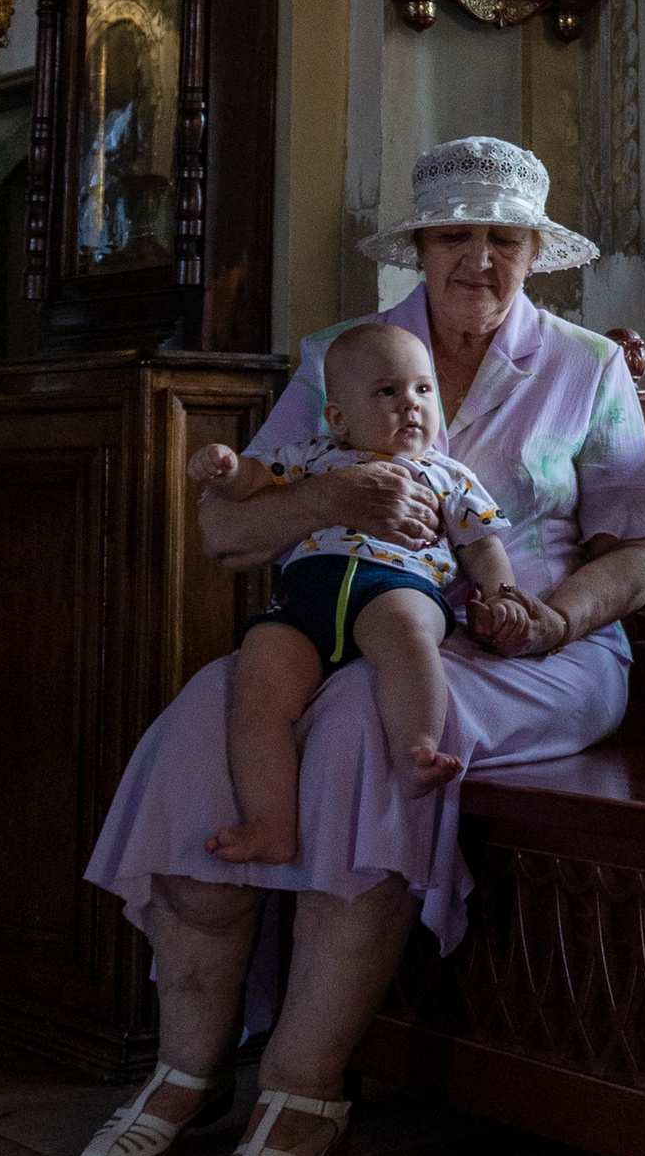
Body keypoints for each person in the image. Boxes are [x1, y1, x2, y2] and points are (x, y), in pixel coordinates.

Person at [80, 137, 645, 1156]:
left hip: (537, 655)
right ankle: (184, 1070)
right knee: (198, 721)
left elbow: (640, 546)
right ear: (416, 245)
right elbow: (228, 529)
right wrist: (333, 503)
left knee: (364, 726)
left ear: (537, 251)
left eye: (504, 238)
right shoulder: (342, 355)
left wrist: (552, 618)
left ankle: (302, 1085)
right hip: (341, 625)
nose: (478, 259)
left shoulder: (587, 367)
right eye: (455, 234)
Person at [187, 321, 515, 849]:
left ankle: (418, 751)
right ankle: (271, 824)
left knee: (408, 637)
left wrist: (503, 597)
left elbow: (482, 545)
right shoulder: (315, 456)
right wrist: (224, 469)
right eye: (388, 392)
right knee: (257, 690)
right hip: (305, 596)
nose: (411, 405)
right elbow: (252, 479)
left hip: (399, 585)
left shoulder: (448, 475)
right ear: (338, 418)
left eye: (422, 390)